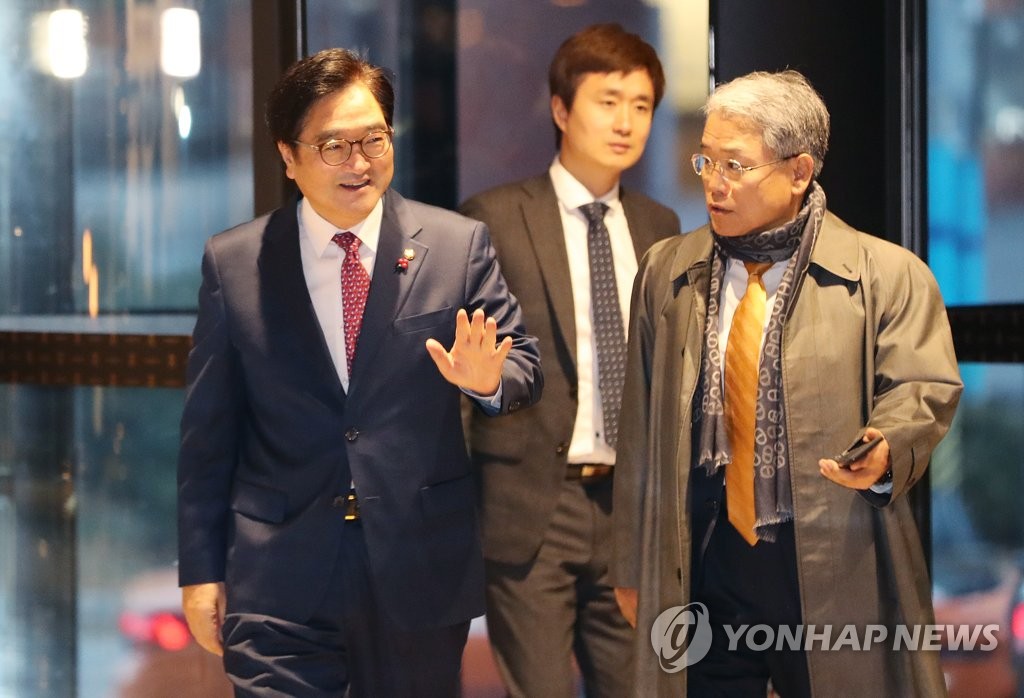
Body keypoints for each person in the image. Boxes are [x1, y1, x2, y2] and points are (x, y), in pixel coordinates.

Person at [176, 47, 542, 697]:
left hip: (416, 567)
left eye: (374, 139)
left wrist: (486, 381)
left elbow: (523, 364)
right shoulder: (235, 263)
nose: (359, 162)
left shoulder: (455, 245)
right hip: (279, 574)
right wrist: (200, 570)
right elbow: (209, 433)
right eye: (334, 146)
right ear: (288, 156)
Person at [611, 70, 962, 696]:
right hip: (701, 557)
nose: (714, 183)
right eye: (705, 161)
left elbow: (922, 389)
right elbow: (638, 426)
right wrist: (633, 563)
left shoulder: (887, 274)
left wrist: (885, 447)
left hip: (830, 557)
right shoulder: (668, 270)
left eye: (736, 165)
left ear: (799, 172)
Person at [460, 23, 680, 697]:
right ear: (561, 109)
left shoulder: (660, 228)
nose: (626, 122)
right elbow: (470, 372)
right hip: (532, 503)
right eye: (607, 101)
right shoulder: (495, 218)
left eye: (641, 106)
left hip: (629, 506)